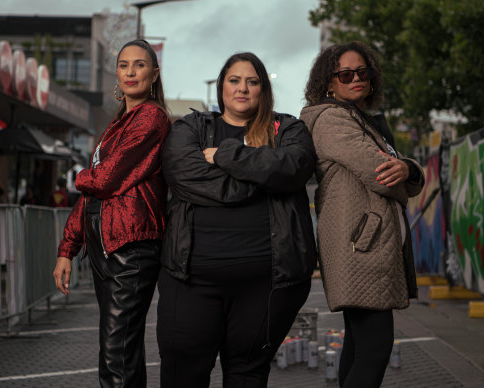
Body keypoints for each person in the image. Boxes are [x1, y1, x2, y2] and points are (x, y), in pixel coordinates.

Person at [158, 52, 317, 387]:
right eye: (234, 80)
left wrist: (226, 155)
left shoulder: (287, 128)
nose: (242, 88)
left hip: (265, 285)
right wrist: (259, 178)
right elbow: (184, 175)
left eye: (252, 81)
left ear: (263, 90)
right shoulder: (192, 128)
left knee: (248, 374)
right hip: (190, 281)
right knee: (181, 373)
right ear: (222, 87)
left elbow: (292, 167)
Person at [300, 41, 425, 388]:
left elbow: (401, 172)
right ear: (328, 81)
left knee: (358, 344)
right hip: (360, 246)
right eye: (345, 74)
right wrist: (407, 172)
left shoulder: (360, 119)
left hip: (367, 245)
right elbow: (381, 173)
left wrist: (409, 169)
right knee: (375, 347)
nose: (356, 78)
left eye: (362, 72)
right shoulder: (332, 119)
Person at [52, 39, 171, 387]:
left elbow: (103, 180)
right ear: (116, 75)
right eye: (123, 65)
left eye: (139, 65)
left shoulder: (151, 117)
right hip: (108, 247)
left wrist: (78, 175)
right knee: (121, 353)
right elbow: (92, 195)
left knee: (115, 356)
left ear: (154, 73)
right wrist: (66, 249)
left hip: (131, 249)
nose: (130, 72)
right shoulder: (119, 123)